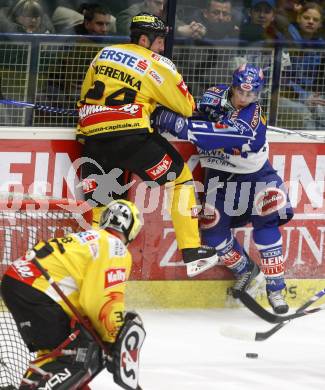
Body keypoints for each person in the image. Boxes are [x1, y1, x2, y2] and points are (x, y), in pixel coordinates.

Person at [77, 12, 219, 278]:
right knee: (180, 179)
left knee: (104, 208)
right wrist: (156, 106)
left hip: (93, 139)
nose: (162, 47)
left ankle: (94, 272)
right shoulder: (157, 63)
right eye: (159, 41)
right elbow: (186, 107)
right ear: (144, 39)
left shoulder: (104, 53)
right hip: (131, 136)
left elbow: (85, 94)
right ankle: (192, 252)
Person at [152, 64, 294, 314]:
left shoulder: (253, 116)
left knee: (266, 226)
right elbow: (193, 111)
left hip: (256, 178)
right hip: (219, 178)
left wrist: (180, 125)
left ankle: (276, 288)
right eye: (241, 91)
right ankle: (247, 272)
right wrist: (164, 114)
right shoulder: (212, 95)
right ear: (233, 86)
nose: (245, 98)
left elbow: (216, 136)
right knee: (212, 232)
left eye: (251, 94)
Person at [1, 199, 145, 389]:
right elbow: (101, 301)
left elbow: (88, 300)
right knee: (80, 353)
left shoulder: (90, 238)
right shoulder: (115, 247)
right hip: (35, 288)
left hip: (19, 281)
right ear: (132, 229)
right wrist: (113, 338)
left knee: (60, 349)